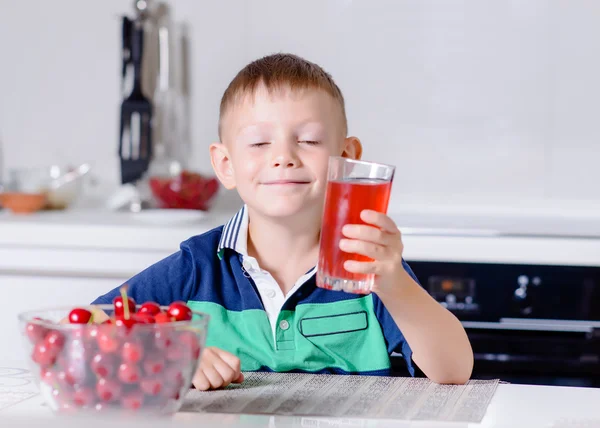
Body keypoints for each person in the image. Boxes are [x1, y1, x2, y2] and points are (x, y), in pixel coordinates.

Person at [92, 53, 474, 390]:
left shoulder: (367, 266)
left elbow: (454, 371)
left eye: (308, 140)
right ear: (226, 165)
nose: (284, 157)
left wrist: (394, 284)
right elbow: (89, 327)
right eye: (259, 143)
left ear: (346, 157)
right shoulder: (196, 268)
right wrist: (170, 350)